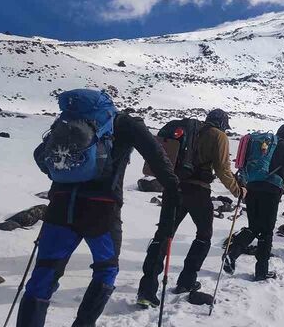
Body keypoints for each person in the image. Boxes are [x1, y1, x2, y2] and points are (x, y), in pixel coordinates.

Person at [20, 89, 182, 327]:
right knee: (106, 270)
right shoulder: (125, 123)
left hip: (60, 206)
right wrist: (174, 194)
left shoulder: (66, 120)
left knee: (44, 274)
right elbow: (159, 161)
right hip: (102, 210)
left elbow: (41, 157)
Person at [137, 109, 245, 308]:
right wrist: (237, 191)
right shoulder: (218, 136)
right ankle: (187, 281)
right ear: (222, 123)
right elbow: (222, 169)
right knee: (204, 235)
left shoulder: (187, 131)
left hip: (173, 187)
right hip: (198, 190)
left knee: (163, 235)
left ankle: (146, 290)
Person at [222, 124, 284, 280]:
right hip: (270, 189)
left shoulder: (266, 143)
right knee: (267, 230)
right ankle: (261, 272)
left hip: (252, 186)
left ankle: (233, 253)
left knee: (254, 226)